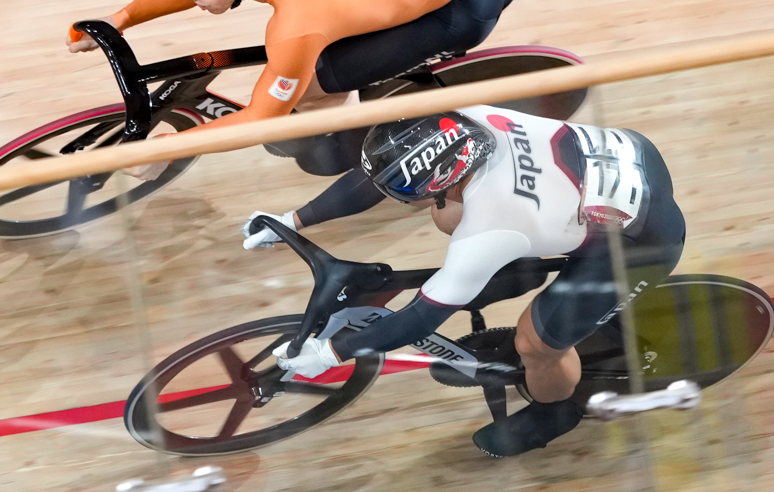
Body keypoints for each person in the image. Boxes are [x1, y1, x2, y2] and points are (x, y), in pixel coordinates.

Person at [250, 106, 685, 458]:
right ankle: (521, 269)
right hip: (627, 156)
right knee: (448, 215)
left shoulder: (492, 226)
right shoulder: (464, 120)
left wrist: (331, 352)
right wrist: (293, 220)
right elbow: (380, 175)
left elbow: (418, 320)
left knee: (535, 344)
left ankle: (555, 411)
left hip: (642, 241)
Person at [68, 0, 519, 175]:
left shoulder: (298, 22)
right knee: (328, 37)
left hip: (465, 5)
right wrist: (121, 18)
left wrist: (169, 147)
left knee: (312, 87)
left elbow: (261, 118)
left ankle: (353, 145)